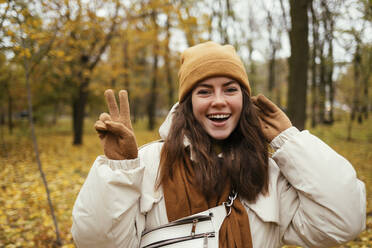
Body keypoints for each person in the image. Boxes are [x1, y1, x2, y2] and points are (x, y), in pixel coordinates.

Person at [71, 41, 366, 248]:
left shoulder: (268, 173)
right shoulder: (148, 163)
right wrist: (118, 171)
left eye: (230, 89)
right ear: (187, 103)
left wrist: (289, 140)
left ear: (244, 100)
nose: (219, 100)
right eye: (204, 91)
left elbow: (344, 221)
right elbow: (98, 243)